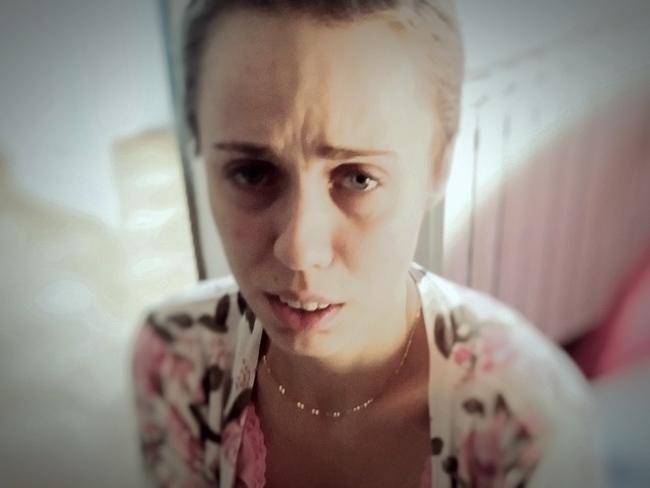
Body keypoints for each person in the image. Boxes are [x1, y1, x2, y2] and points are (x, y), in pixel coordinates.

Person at [131, 1, 605, 486]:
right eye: (251, 173)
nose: (300, 251)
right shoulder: (175, 360)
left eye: (358, 177)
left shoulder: (529, 428)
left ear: (437, 168)